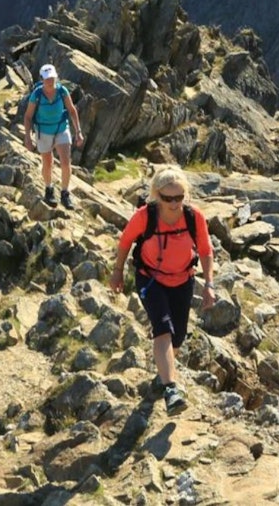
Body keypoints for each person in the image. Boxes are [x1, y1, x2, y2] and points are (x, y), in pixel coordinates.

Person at [109, 168, 215, 415]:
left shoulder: (193, 217)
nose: (175, 203)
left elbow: (206, 250)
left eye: (179, 197)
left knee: (177, 338)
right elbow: (125, 242)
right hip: (151, 280)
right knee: (163, 328)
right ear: (157, 196)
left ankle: (162, 374)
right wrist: (117, 271)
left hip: (183, 280)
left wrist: (209, 283)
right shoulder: (144, 217)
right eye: (168, 199)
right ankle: (171, 389)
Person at [21, 64, 84, 209]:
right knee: (48, 163)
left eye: (52, 78)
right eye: (47, 78)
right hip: (43, 132)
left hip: (61, 128)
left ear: (56, 76)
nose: (50, 81)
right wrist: (27, 137)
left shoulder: (62, 91)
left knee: (65, 162)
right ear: (42, 78)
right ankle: (49, 189)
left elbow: (72, 110)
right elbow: (28, 117)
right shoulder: (36, 95)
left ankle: (65, 193)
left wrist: (78, 131)